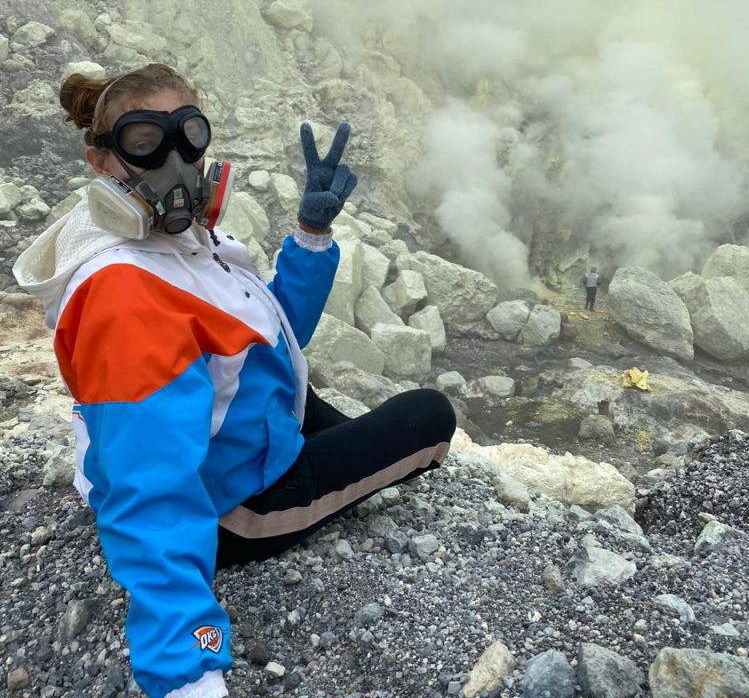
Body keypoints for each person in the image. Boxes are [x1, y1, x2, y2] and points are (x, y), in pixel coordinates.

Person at [13, 63, 456, 698]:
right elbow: (153, 492)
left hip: (225, 440)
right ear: (101, 161)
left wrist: (310, 237)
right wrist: (189, 669)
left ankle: (316, 453)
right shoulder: (125, 292)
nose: (176, 161)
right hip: (233, 511)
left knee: (300, 392)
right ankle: (306, 490)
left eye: (188, 135)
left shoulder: (182, 240)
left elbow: (270, 334)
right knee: (428, 415)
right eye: (145, 142)